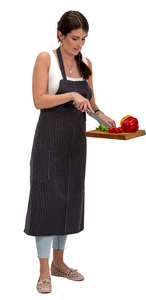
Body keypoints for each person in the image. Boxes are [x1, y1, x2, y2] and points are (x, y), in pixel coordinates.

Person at [23, 10, 116, 293]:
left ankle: (59, 264)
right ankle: (43, 272)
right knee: (46, 201)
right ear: (60, 34)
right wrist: (71, 95)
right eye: (75, 38)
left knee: (68, 201)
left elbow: (92, 103)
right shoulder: (45, 59)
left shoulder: (86, 64)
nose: (79, 44)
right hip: (49, 144)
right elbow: (39, 100)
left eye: (84, 39)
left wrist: (105, 119)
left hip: (75, 146)